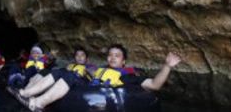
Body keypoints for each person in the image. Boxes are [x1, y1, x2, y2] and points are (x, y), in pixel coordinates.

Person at [20, 44, 182, 111]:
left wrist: (167, 66)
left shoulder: (130, 77)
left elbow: (154, 85)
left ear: (123, 61)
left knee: (71, 77)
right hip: (89, 86)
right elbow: (89, 75)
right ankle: (27, 94)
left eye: (117, 56)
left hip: (102, 95)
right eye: (110, 55)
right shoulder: (100, 70)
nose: (112, 58)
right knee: (62, 72)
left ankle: (37, 104)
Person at [11, 48, 94, 100]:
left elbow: (93, 75)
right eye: (77, 55)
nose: (79, 57)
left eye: (82, 55)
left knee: (63, 73)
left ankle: (29, 94)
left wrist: (88, 70)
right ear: (74, 57)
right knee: (45, 71)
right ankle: (27, 91)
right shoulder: (70, 65)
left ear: (86, 58)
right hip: (63, 81)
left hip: (75, 84)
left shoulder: (90, 66)